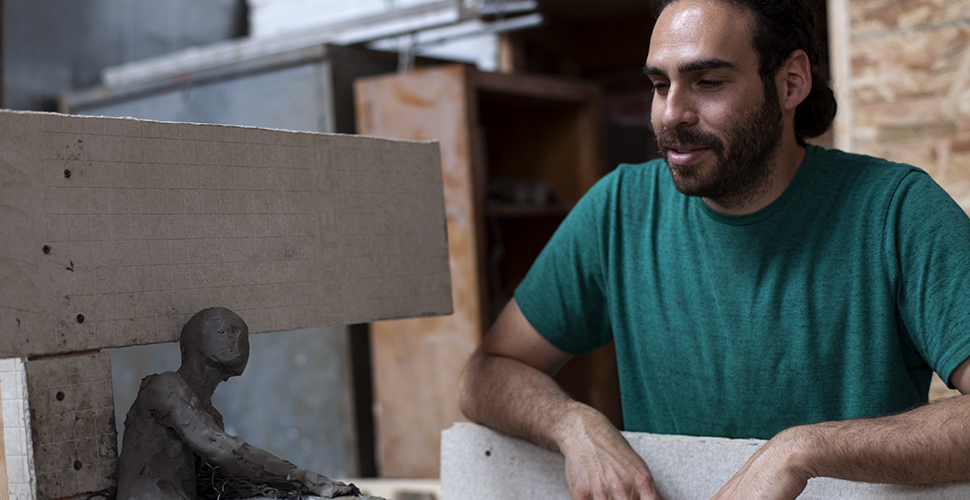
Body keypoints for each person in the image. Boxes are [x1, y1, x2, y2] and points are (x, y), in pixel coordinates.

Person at [457, 0, 970, 499]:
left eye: (708, 82)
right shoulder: (619, 209)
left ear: (791, 82)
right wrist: (571, 425)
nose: (672, 114)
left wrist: (802, 450)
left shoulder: (898, 211)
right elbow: (486, 374)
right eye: (660, 85)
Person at [116, 307, 367, 500]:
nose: (237, 337)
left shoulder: (212, 417)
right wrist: (305, 479)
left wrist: (284, 489)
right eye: (227, 330)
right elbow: (221, 448)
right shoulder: (165, 387)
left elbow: (222, 471)